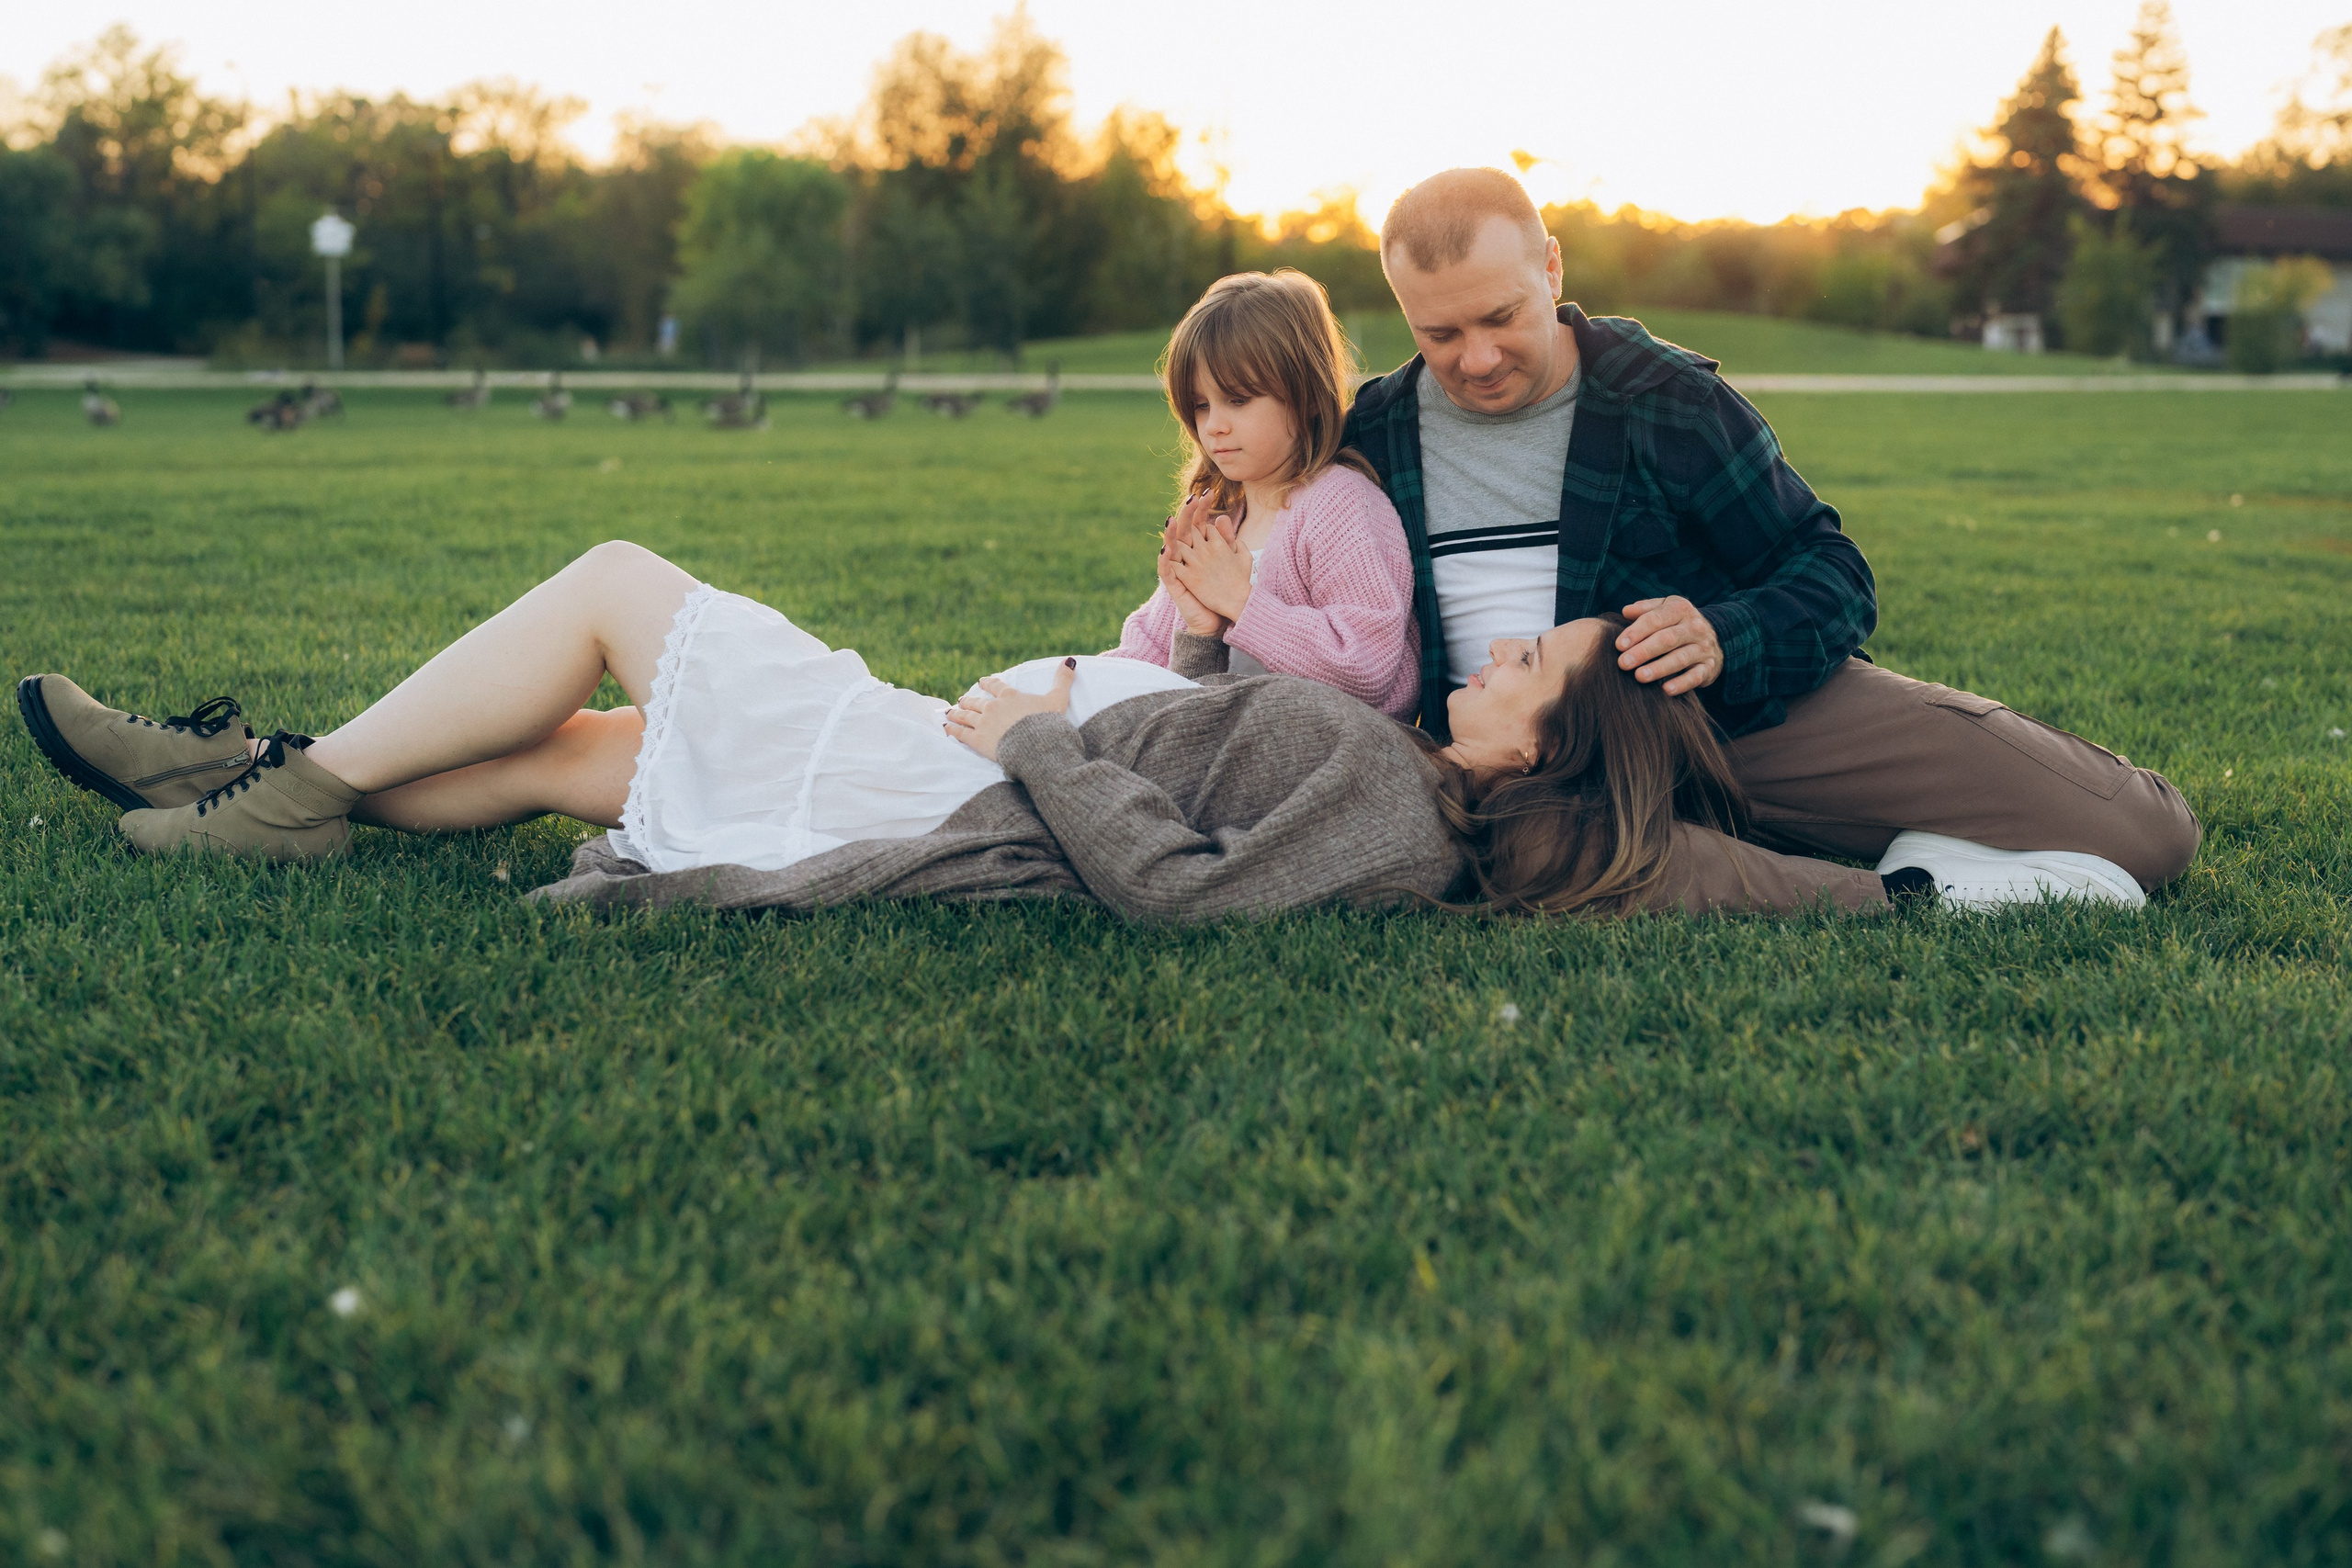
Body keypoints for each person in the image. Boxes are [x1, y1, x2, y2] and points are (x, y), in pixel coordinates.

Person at [19, 540, 2143, 918]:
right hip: (954, 744)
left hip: (943, 768)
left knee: (607, 589)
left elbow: (1179, 885)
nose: (1486, 657)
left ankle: (273, 783)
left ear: (1548, 740)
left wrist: (1020, 730)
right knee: (591, 748)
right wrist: (1909, 891)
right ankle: (241, 792)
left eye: (1526, 662)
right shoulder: (1412, 768)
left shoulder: (1401, 811)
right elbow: (1751, 876)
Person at [1341, 166, 2200, 902]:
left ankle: (1710, 843)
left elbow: (1833, 574)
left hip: (1724, 727)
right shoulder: (1371, 432)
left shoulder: (1666, 400)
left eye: (1502, 317)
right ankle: (1909, 896)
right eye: (1440, 333)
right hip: (1525, 778)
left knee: (2143, 834)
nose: (1479, 359)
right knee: (1521, 850)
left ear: (1552, 268)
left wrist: (1724, 635)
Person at [1106, 269, 1417, 717]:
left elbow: (1367, 670)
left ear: (1306, 395)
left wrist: (1240, 601)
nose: (1214, 425)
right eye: (1201, 404)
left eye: (1238, 399)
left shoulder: (1341, 506)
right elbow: (1148, 647)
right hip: (1220, 738)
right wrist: (1071, 684)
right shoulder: (1219, 515)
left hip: (1326, 755)